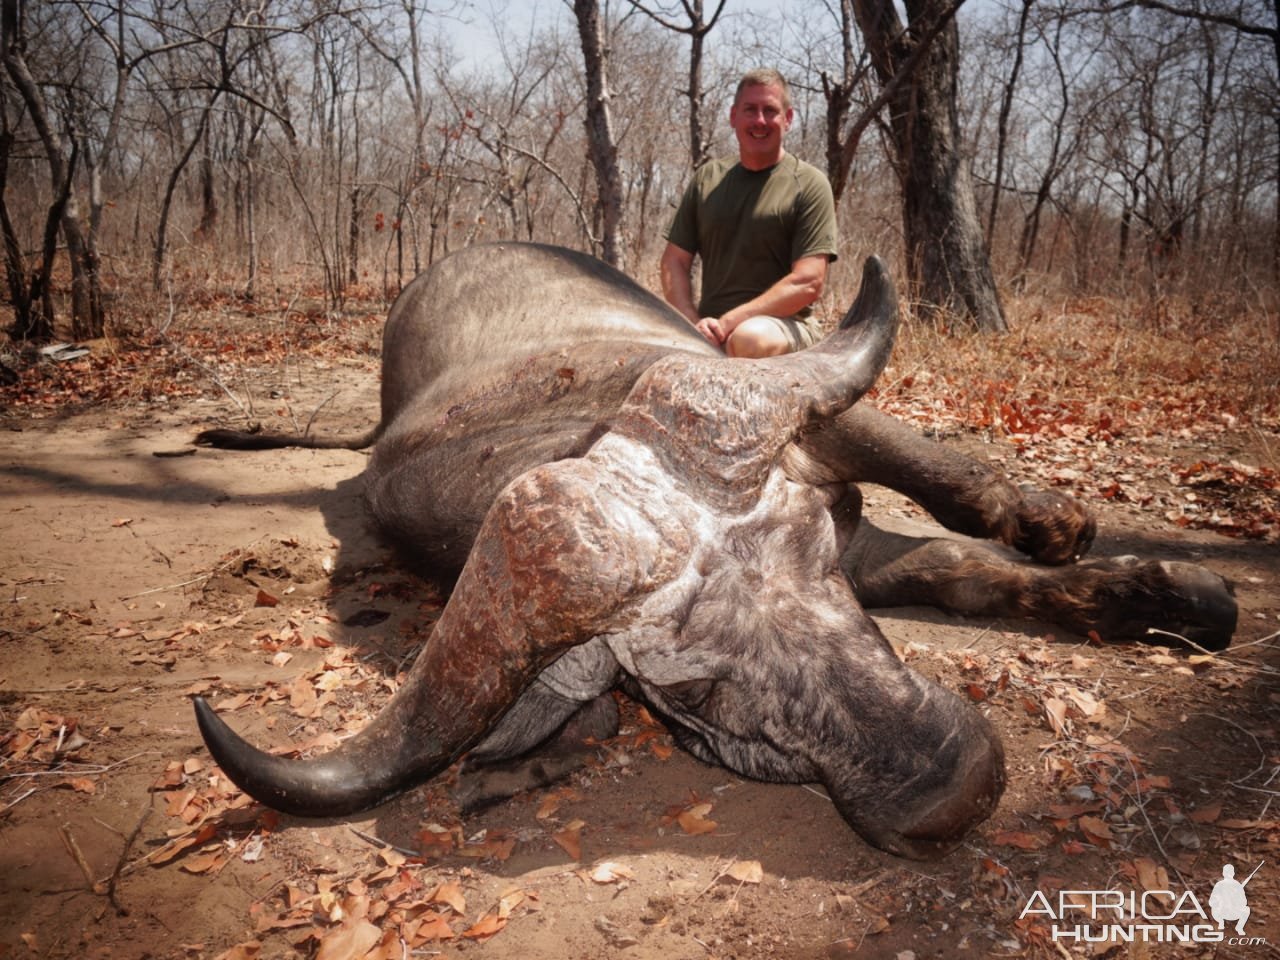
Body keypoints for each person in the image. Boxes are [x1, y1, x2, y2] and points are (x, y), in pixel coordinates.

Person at [660, 68, 838, 358]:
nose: (759, 121)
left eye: (770, 110)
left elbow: (809, 282)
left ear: (788, 119)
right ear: (733, 117)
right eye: (750, 110)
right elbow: (673, 261)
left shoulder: (810, 183)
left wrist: (730, 322)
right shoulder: (708, 178)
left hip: (784, 326)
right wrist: (692, 323)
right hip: (709, 328)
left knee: (749, 339)